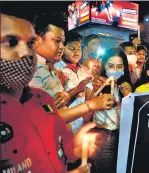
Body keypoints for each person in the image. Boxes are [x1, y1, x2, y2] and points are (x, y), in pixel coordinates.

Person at [0, 10, 106, 173]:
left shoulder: (41, 95)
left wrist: (73, 148)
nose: (25, 53)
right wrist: (89, 105)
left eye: (29, 43)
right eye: (12, 42)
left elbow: (50, 128)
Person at [29, 13, 114, 124]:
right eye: (57, 41)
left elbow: (54, 108)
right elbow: (43, 116)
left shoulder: (49, 69)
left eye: (63, 42)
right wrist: (90, 105)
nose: (61, 47)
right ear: (37, 40)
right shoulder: (31, 70)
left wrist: (89, 91)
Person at [85, 48, 132, 173]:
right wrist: (95, 93)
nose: (115, 70)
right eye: (111, 66)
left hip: (123, 137)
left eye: (120, 66)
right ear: (104, 66)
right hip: (102, 136)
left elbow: (131, 116)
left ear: (124, 68)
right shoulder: (94, 85)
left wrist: (128, 97)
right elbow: (85, 116)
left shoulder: (126, 87)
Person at [54, 31, 94, 133]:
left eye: (79, 48)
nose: (76, 52)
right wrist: (76, 90)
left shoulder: (86, 71)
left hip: (85, 124)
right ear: (62, 48)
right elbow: (55, 103)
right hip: (66, 125)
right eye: (72, 48)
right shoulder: (56, 69)